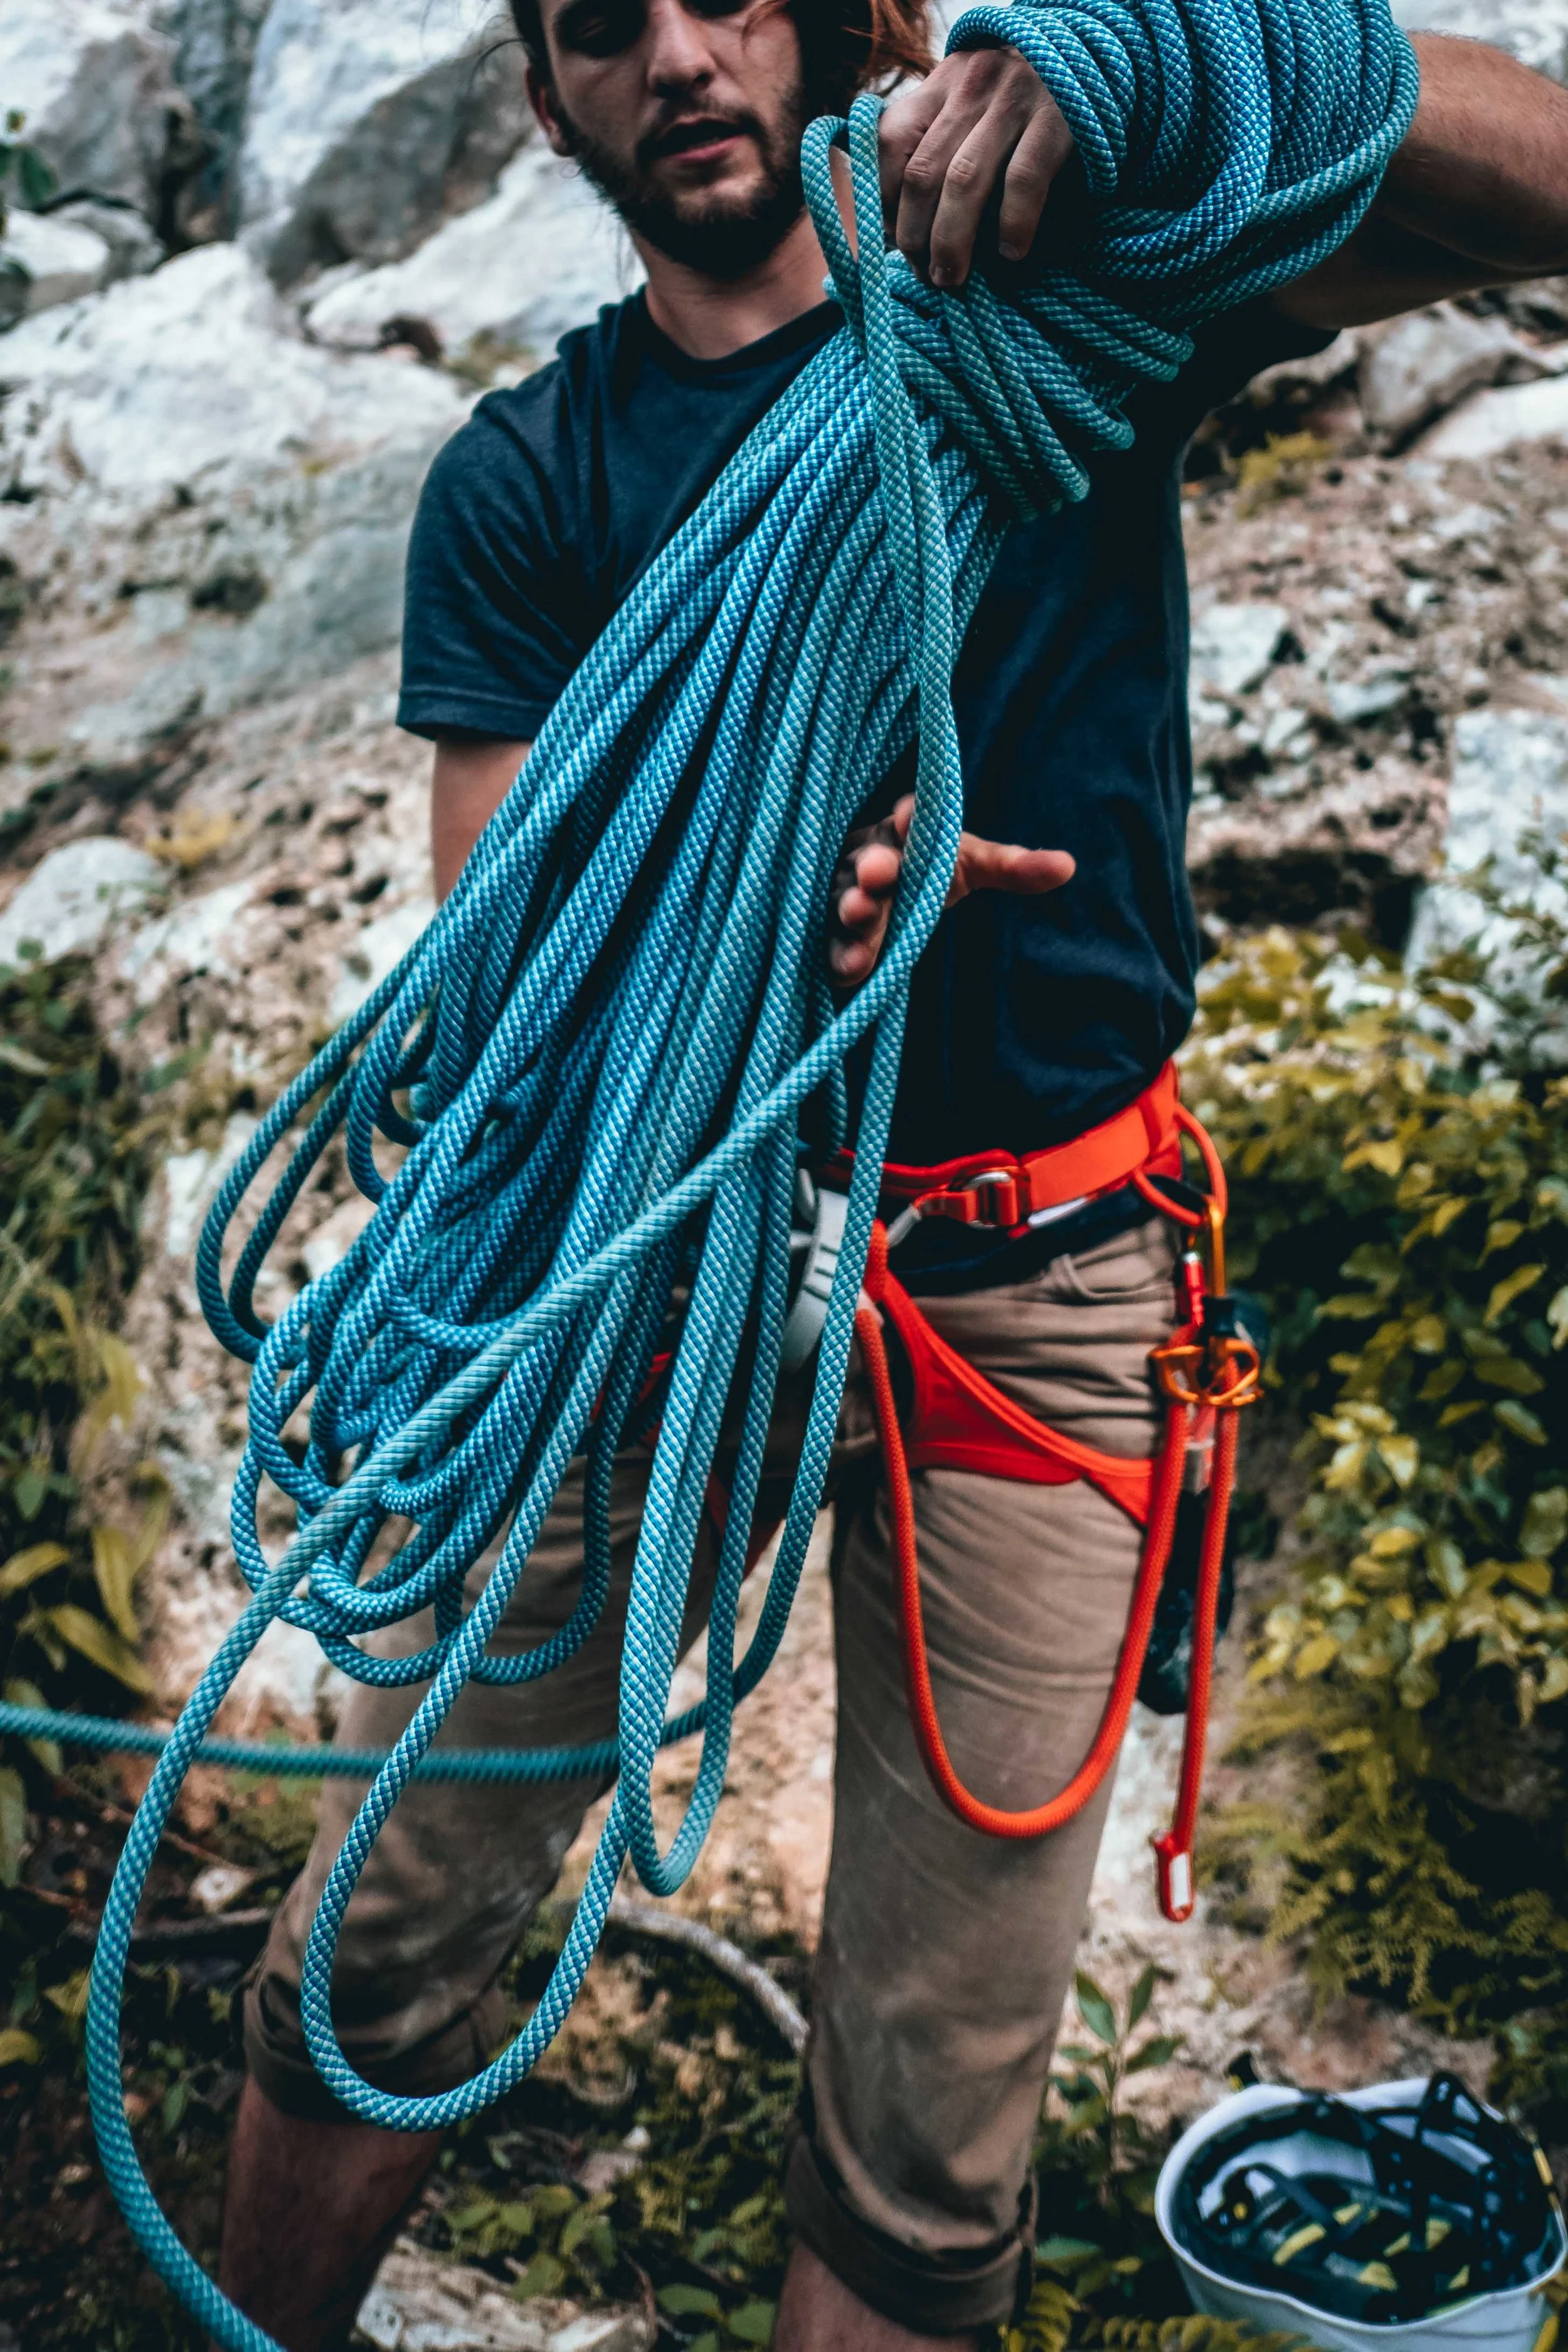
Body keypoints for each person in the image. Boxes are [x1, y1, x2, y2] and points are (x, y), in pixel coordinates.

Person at [215, 0, 1568, 2342]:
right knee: (391, 1917)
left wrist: (1164, 52)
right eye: (601, 25)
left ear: (842, 16)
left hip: (1044, 1280)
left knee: (936, 2104)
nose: (677, 53)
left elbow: (1532, 174)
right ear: (544, 99)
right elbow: (498, 977)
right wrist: (747, 932)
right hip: (646, 1274)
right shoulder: (529, 479)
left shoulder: (1075, 301)